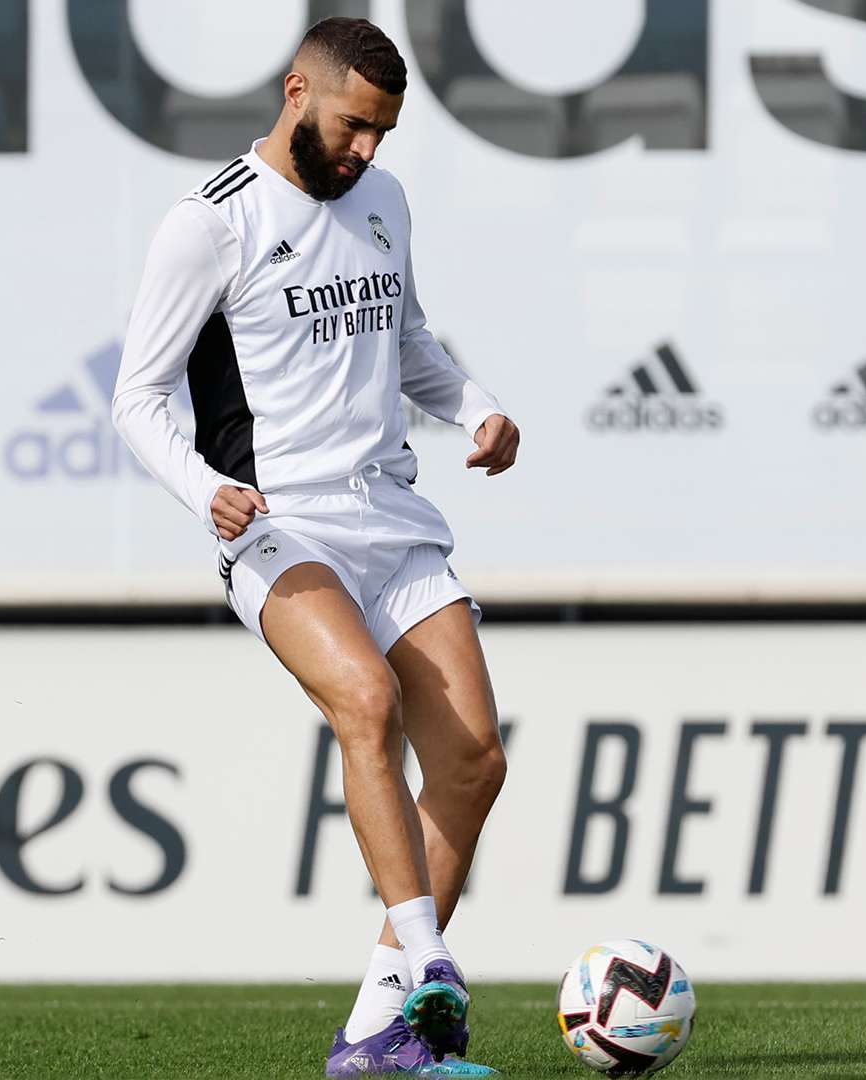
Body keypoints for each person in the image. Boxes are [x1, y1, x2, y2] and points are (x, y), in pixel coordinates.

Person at [110, 16, 517, 1079]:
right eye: (352, 127)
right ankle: (431, 967)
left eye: (383, 133)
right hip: (280, 526)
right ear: (297, 91)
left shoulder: (382, 202)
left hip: (392, 515)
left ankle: (378, 1034)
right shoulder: (207, 226)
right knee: (366, 704)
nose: (366, 152)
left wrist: (477, 407)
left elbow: (408, 337)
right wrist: (208, 491)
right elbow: (137, 398)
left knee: (474, 760)